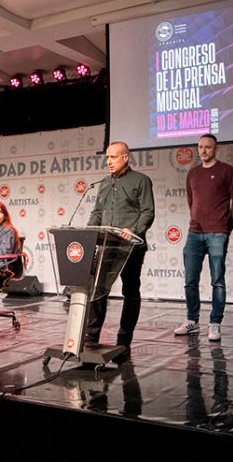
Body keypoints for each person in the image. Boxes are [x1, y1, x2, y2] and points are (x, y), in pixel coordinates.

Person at [85, 141, 155, 360]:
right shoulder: (105, 183)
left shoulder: (141, 180)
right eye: (107, 157)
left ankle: (124, 341)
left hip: (131, 246)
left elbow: (148, 212)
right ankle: (90, 338)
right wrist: (89, 233)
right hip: (107, 244)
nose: (109, 161)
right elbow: (97, 212)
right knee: (98, 290)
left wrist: (133, 230)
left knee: (130, 291)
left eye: (113, 157)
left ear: (125, 158)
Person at [174, 133, 233, 342]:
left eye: (208, 147)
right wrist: (197, 219)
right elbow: (192, 201)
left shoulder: (227, 171)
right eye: (200, 147)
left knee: (217, 281)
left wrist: (225, 227)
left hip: (217, 233)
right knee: (190, 281)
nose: (203, 150)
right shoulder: (193, 173)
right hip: (194, 233)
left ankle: (215, 323)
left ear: (216, 149)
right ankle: (192, 320)